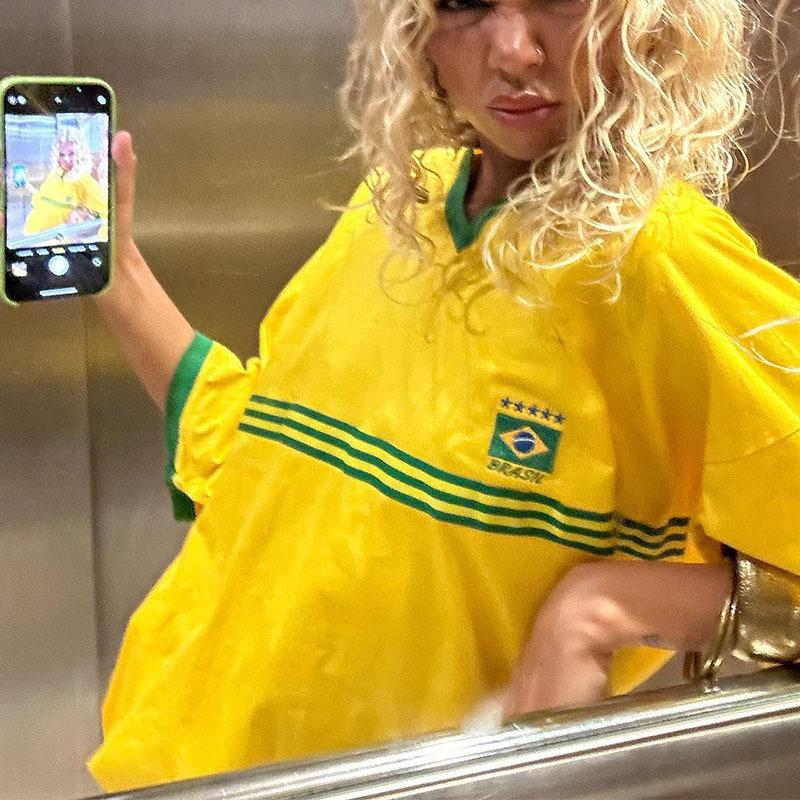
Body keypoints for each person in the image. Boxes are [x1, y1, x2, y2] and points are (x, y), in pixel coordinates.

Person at [81, 0, 800, 791]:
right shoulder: (402, 204)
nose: (515, 51)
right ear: (415, 29)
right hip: (175, 759)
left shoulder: (656, 258)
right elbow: (261, 460)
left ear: (647, 20)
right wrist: (118, 271)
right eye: (464, 3)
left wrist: (605, 606)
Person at [21, 129, 108, 241]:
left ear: (80, 153)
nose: (66, 159)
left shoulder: (84, 180)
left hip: (58, 245)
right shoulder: (54, 175)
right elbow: (42, 199)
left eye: (72, 153)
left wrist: (95, 242)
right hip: (31, 240)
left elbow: (106, 215)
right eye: (62, 154)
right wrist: (26, 185)